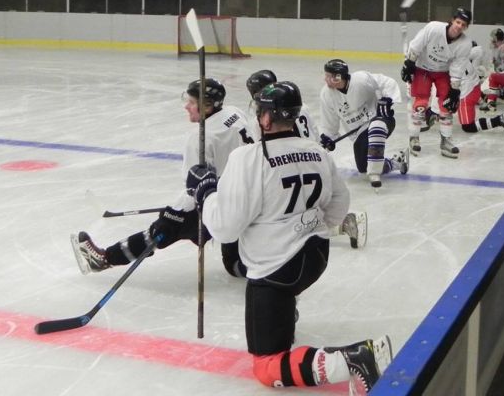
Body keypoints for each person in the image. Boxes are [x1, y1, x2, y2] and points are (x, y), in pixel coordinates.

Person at [168, 81, 393, 392]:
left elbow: (224, 227)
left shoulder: (248, 158)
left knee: (265, 366)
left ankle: (355, 359)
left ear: (265, 118)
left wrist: (206, 192)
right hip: (316, 257)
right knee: (281, 303)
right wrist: (303, 226)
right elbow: (338, 208)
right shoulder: (316, 151)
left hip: (275, 270)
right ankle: (285, 315)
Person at [70, 77, 254, 278]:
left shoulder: (201, 138)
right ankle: (257, 266)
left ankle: (103, 259)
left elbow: (194, 185)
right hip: (247, 194)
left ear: (208, 106)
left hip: (218, 201)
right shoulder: (235, 112)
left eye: (192, 102)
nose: (187, 106)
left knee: (162, 230)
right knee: (234, 263)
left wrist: (174, 213)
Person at [249, 68, 369, 248]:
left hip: (291, 167)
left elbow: (264, 148)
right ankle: (343, 222)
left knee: (287, 216)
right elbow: (314, 137)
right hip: (314, 163)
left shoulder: (262, 120)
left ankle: (344, 222)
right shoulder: (299, 106)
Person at [318, 59, 409, 189]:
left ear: (339, 77)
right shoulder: (326, 95)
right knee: (363, 168)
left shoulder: (361, 79)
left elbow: (387, 83)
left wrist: (387, 100)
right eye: (325, 75)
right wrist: (328, 138)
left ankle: (375, 172)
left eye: (329, 76)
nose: (325, 79)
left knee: (376, 128)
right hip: (360, 133)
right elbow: (330, 123)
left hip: (382, 120)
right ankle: (396, 162)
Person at [401, 7, 474, 158]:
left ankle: (446, 141)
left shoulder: (465, 44)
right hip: (423, 69)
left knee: (447, 105)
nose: (459, 26)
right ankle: (414, 138)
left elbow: (457, 66)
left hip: (442, 73)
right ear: (452, 20)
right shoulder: (434, 28)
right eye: (458, 22)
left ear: (466, 27)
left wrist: (454, 90)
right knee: (421, 103)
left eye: (463, 24)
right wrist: (409, 63)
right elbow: (417, 45)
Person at [456, 42, 504, 136]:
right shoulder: (468, 58)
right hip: (472, 89)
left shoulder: (465, 57)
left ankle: (500, 120)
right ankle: (498, 117)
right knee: (468, 123)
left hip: (466, 93)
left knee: (468, 126)